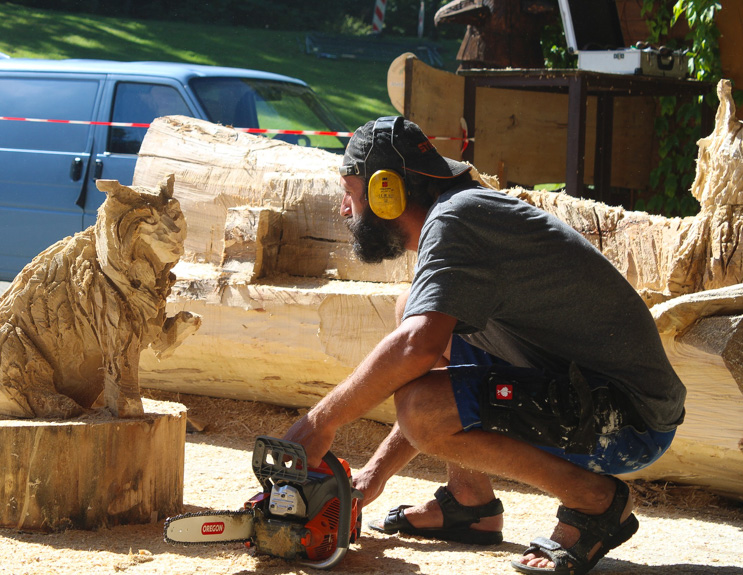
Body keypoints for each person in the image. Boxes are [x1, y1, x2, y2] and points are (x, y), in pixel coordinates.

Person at [283, 116, 686, 575]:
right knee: (409, 308)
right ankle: (469, 502)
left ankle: (595, 502)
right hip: (589, 392)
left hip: (627, 421)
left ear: (386, 191)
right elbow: (419, 340)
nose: (344, 209)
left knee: (422, 408)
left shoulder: (458, 219)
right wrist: (371, 478)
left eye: (349, 192)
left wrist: (320, 422)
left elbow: (416, 349)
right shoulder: (460, 213)